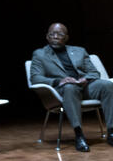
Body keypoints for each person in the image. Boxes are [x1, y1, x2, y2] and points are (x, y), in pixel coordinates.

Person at [30, 22, 113, 151]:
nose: (55, 37)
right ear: (47, 37)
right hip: (62, 91)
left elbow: (94, 72)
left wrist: (85, 79)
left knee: (107, 85)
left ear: (66, 38)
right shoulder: (40, 54)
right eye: (52, 34)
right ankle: (79, 134)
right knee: (70, 87)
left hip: (84, 87)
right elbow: (35, 78)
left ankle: (111, 132)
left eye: (60, 34)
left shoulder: (79, 51)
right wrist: (59, 81)